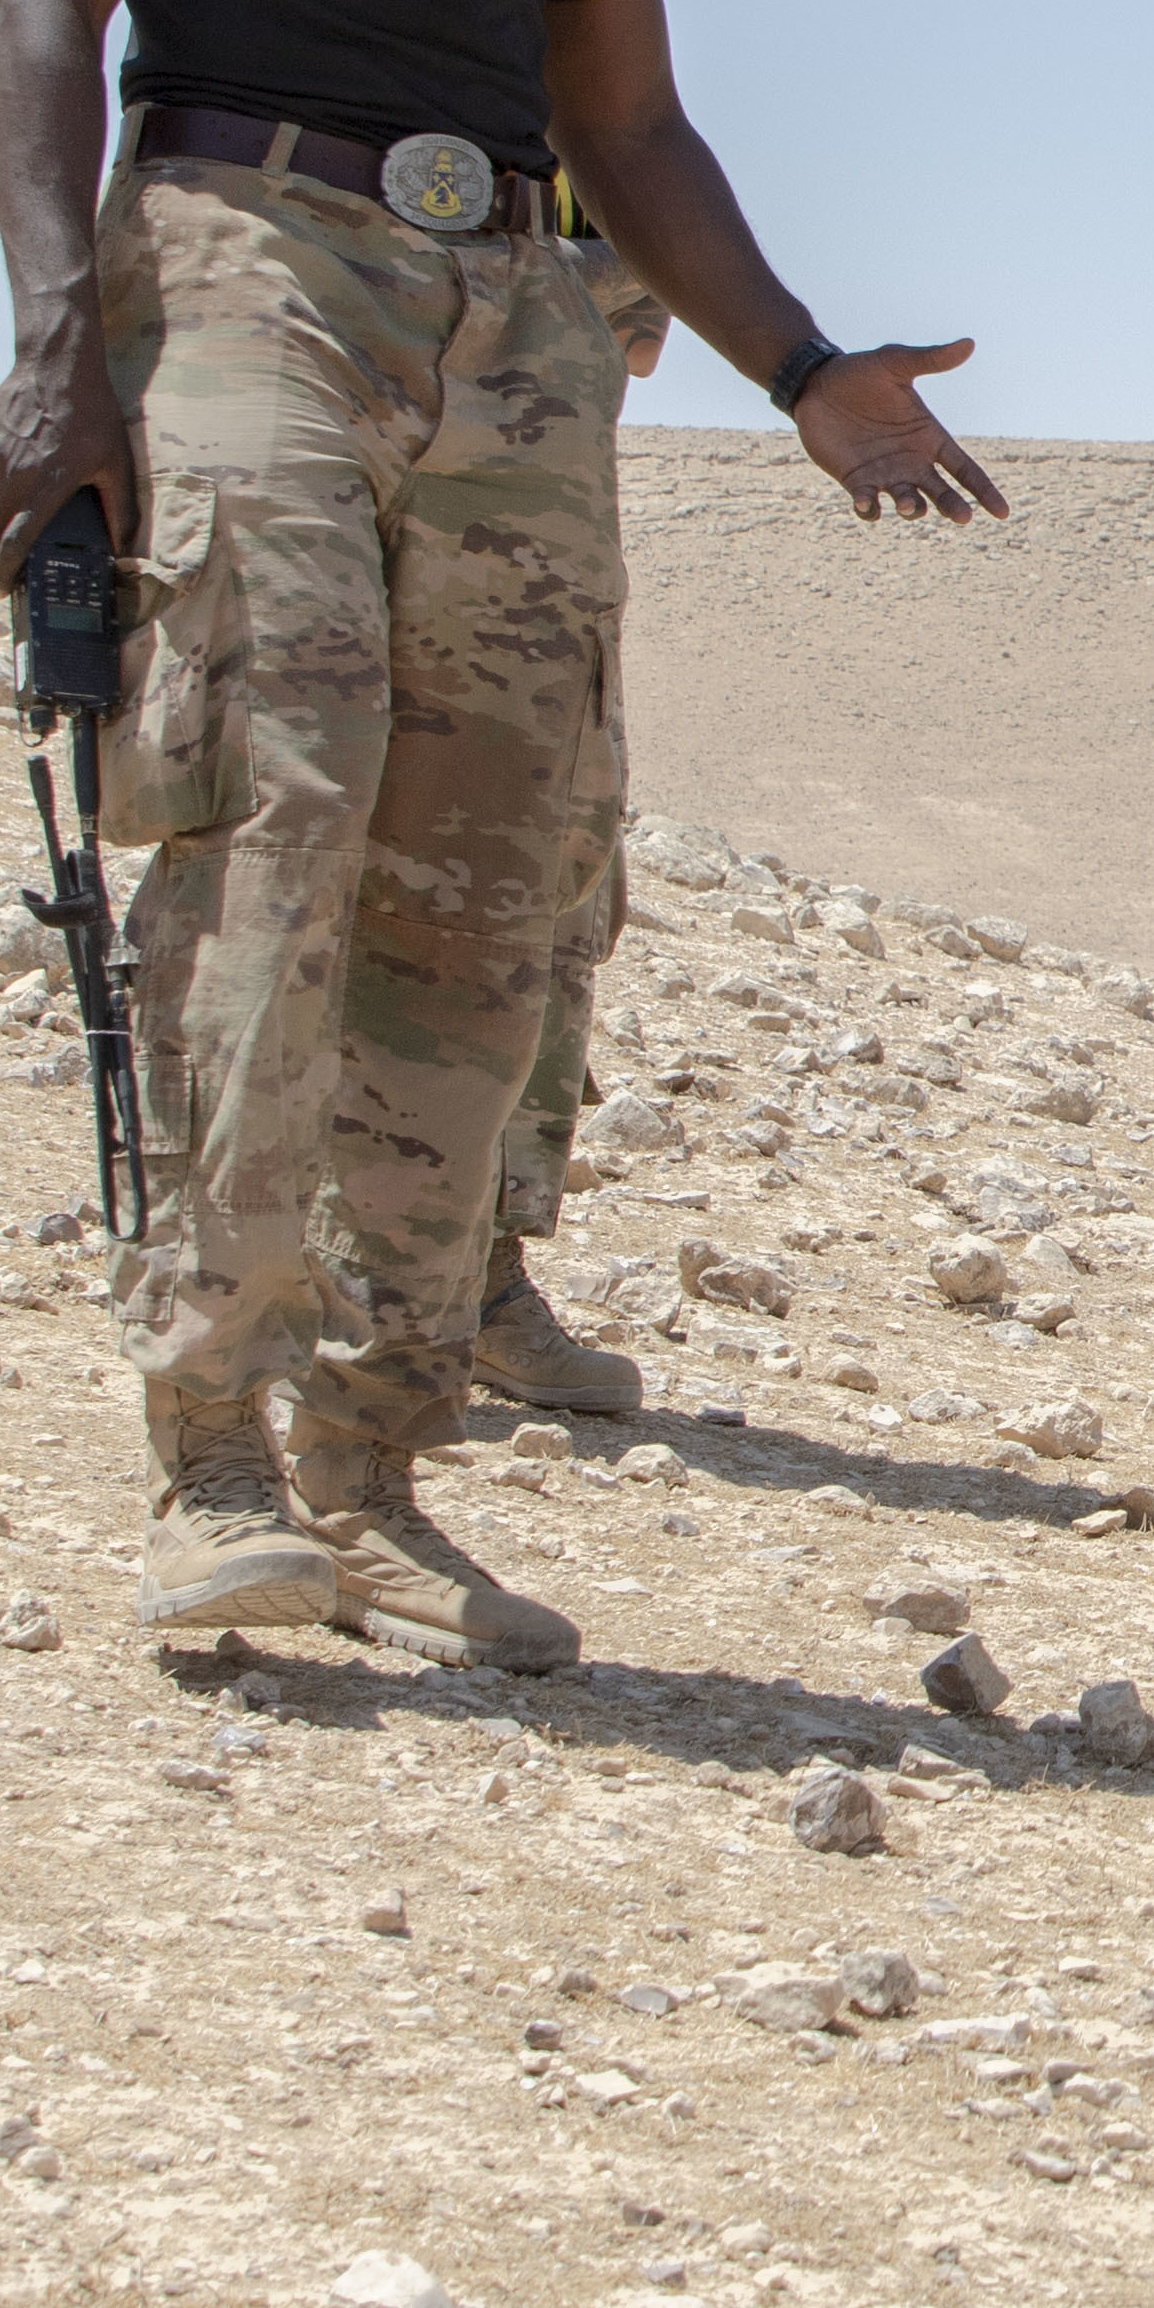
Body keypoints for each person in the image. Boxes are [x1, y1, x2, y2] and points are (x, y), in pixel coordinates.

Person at [0, 0, 1001, 1670]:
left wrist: (798, 365)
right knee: (269, 816)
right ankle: (210, 1451)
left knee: (485, 886)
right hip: (248, 254)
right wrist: (52, 341)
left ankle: (373, 1447)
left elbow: (629, 123)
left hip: (516, 321)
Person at [466, 218, 676, 1422]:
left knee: (550, 908)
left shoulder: (580, 140)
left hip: (540, 574)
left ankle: (484, 1283)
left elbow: (633, 343)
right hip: (366, 548)